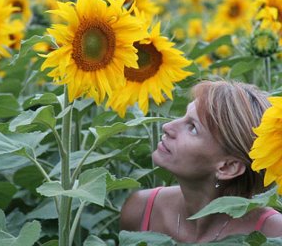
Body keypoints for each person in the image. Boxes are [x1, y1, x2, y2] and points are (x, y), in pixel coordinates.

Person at [120, 80, 282, 243]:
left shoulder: (272, 233)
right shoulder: (140, 209)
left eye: (192, 128)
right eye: (182, 116)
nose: (167, 126)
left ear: (227, 167)